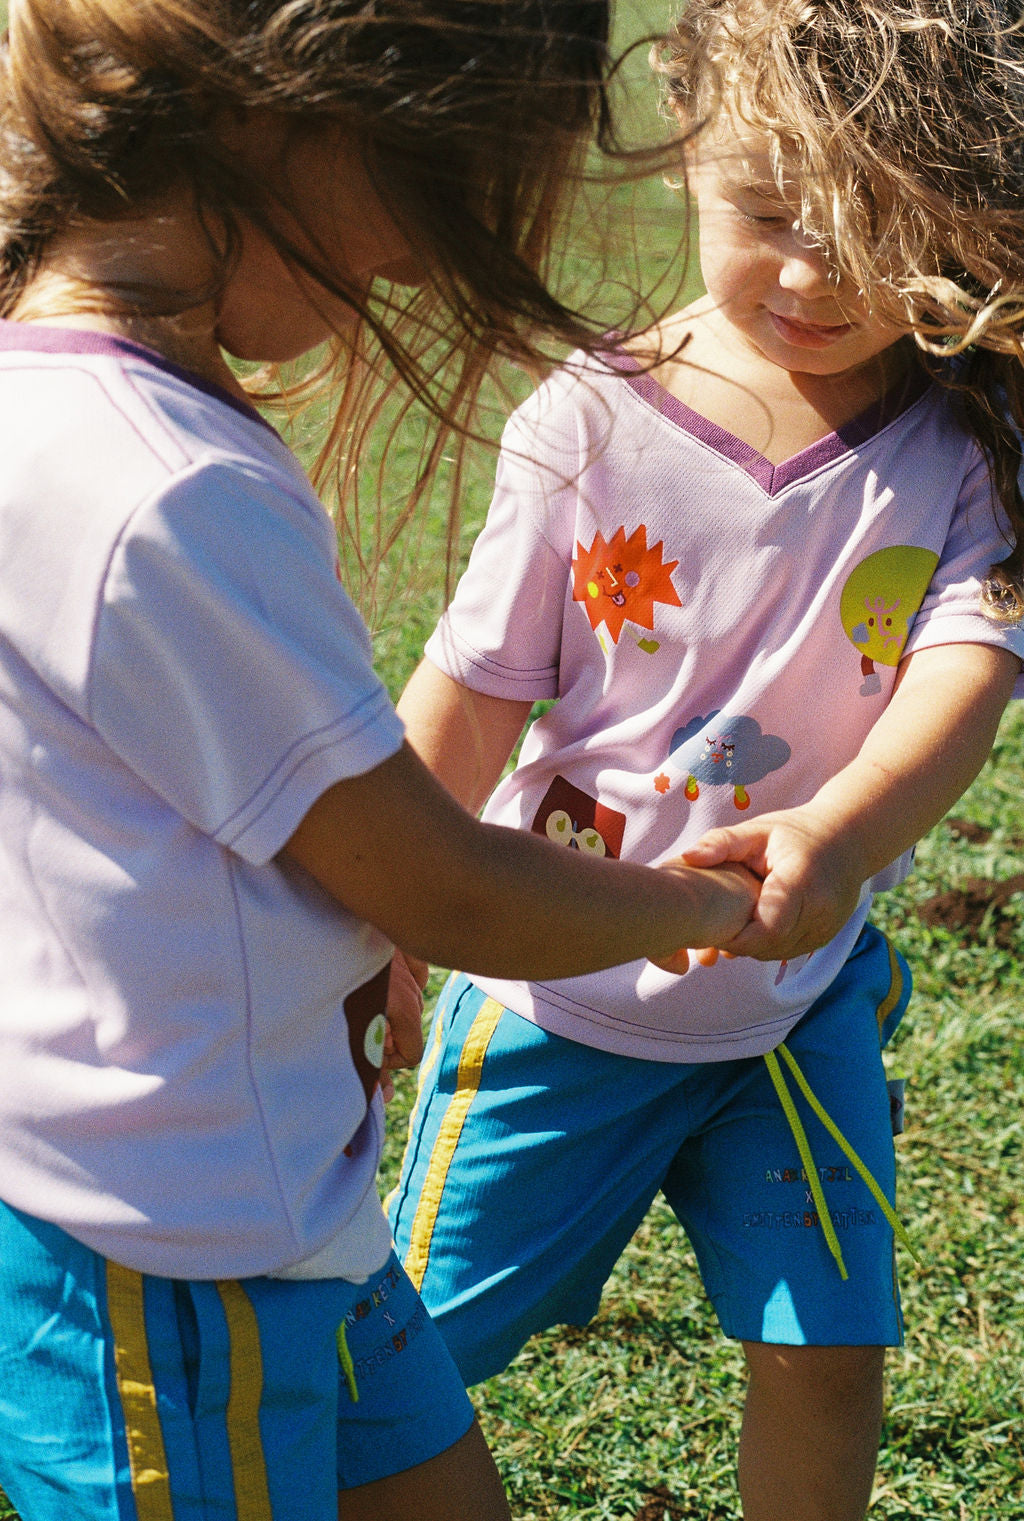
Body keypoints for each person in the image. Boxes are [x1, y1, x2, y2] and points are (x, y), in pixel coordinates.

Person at [0, 3, 768, 1519]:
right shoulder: (158, 493)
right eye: (433, 181)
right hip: (169, 1263)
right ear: (290, 115)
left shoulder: (73, 403)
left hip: (287, 1192)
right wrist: (701, 905)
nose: (420, 262)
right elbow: (448, 886)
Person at [387, 3, 1024, 1518]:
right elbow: (468, 696)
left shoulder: (963, 443)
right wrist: (385, 918)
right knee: (397, 1348)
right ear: (684, 147)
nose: (815, 274)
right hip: (559, 997)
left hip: (798, 1005)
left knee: (830, 1344)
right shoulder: (585, 427)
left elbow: (968, 666)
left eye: (880, 228)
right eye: (770, 212)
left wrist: (843, 838)